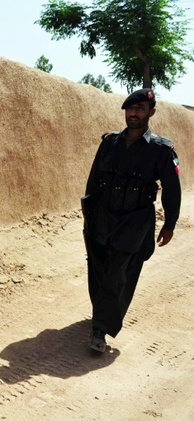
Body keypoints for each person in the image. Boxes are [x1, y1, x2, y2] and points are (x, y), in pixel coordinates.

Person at [82, 88, 181, 353]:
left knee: (117, 271)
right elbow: (94, 179)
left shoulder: (161, 149)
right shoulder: (110, 142)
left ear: (151, 112)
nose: (134, 114)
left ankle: (100, 331)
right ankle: (101, 313)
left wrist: (169, 223)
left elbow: (172, 189)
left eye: (139, 109)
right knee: (98, 267)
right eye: (130, 109)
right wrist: (88, 215)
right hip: (104, 215)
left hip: (135, 220)